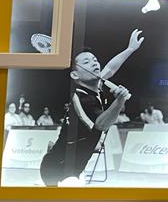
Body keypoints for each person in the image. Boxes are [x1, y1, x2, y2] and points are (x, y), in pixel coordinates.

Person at [39, 30, 144, 187]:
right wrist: (119, 101)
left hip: (73, 167)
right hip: (57, 169)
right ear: (75, 75)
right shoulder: (81, 98)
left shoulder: (94, 88)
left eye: (95, 60)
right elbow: (101, 124)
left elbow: (110, 69)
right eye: (87, 62)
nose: (94, 63)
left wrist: (130, 49)